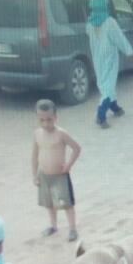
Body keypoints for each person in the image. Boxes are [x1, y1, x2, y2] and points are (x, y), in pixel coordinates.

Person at [86, 0, 133, 129]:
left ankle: (115, 107)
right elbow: (119, 38)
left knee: (104, 82)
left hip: (97, 57)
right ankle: (101, 114)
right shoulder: (109, 22)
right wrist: (130, 53)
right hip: (109, 57)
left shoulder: (89, 23)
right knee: (108, 84)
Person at [32, 99, 81, 242]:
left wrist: (69, 164)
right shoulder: (37, 134)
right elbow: (34, 155)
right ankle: (53, 226)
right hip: (44, 174)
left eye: (49, 119)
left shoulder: (61, 134)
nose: (46, 123)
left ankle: (72, 228)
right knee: (49, 203)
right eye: (42, 120)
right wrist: (34, 174)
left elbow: (77, 148)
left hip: (60, 174)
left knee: (67, 203)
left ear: (55, 118)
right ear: (37, 119)